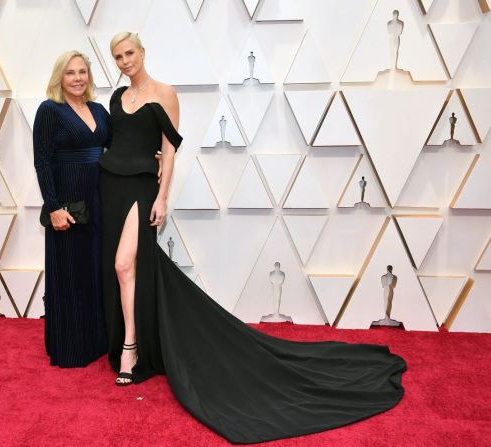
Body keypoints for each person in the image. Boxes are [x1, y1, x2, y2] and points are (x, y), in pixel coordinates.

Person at [99, 32, 407, 444]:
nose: (125, 61)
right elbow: (113, 141)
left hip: (140, 187)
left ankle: (131, 349)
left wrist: (163, 196)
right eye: (118, 56)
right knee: (125, 270)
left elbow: (169, 151)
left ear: (143, 52)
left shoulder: (165, 93)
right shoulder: (116, 98)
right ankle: (130, 341)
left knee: (125, 266)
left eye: (130, 53)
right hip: (110, 186)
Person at [33, 51, 109, 368]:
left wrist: (155, 157)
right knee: (69, 273)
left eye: (82, 72)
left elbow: (119, 150)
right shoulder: (50, 110)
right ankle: (71, 347)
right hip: (68, 205)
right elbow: (42, 161)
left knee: (95, 271)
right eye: (70, 73)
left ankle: (97, 342)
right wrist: (53, 208)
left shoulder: (100, 110)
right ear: (59, 78)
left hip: (100, 202)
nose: (78, 78)